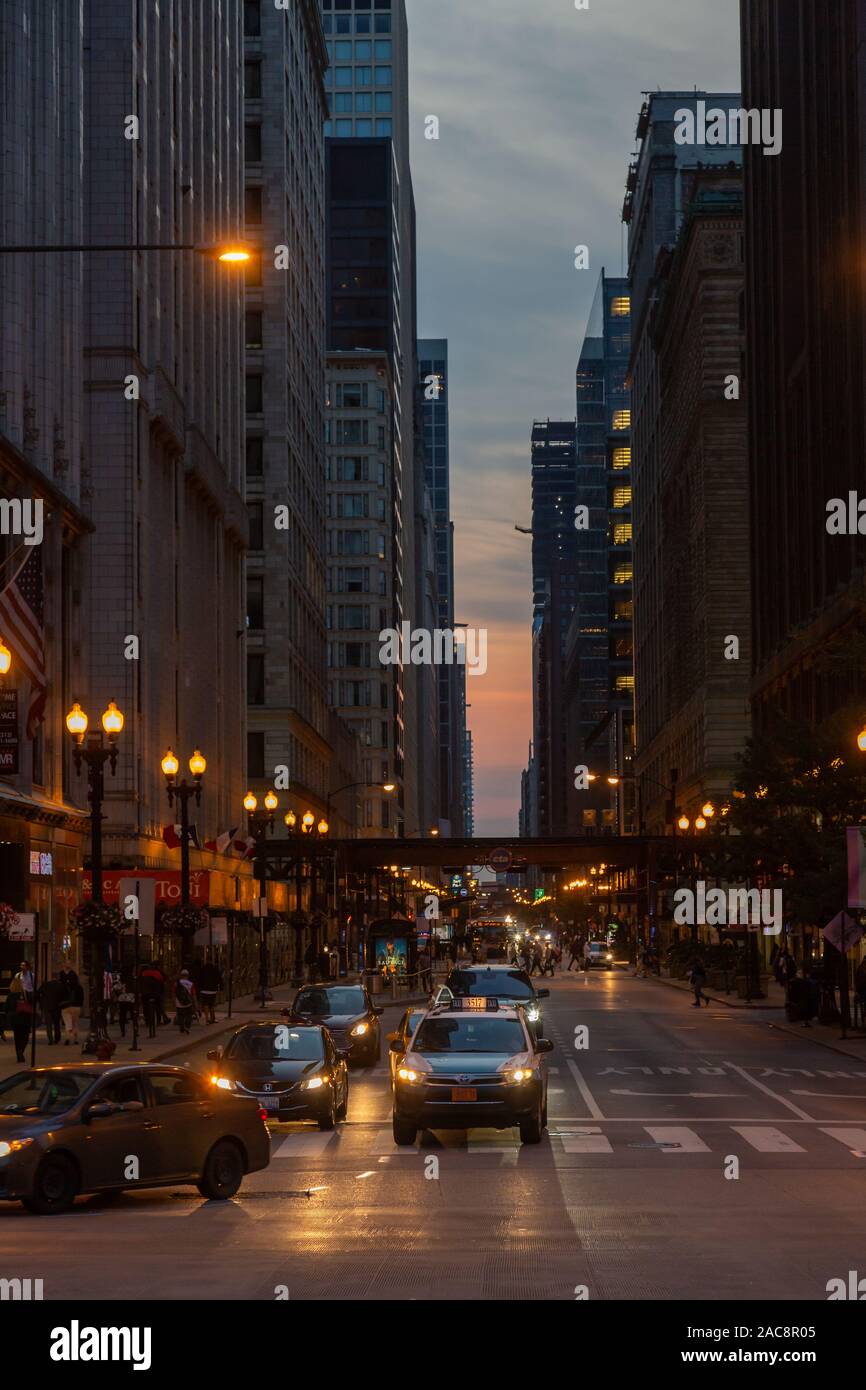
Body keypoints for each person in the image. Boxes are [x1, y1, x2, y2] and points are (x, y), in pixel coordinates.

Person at [5, 977, 32, 1063]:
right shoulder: (25, 994)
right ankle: (21, 1051)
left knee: (17, 1037)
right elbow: (31, 1005)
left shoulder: (10, 995)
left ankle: (19, 1054)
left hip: (14, 1019)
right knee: (25, 1037)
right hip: (25, 1018)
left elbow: (6, 1008)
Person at [37, 971, 65, 1045]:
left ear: (51, 977)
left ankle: (50, 1040)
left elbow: (38, 993)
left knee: (48, 1024)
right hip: (57, 1007)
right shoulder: (60, 985)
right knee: (56, 1024)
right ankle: (57, 1038)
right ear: (57, 978)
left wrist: (41, 1002)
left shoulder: (46, 984)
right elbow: (64, 996)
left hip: (47, 1006)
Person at [59, 967, 84, 1045]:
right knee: (75, 1023)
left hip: (66, 1007)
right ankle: (75, 1039)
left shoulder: (63, 986)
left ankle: (68, 1038)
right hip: (76, 1007)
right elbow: (82, 998)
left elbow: (59, 997)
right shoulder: (79, 987)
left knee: (68, 1023)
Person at [198, 958, 223, 1025]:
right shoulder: (215, 969)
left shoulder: (203, 969)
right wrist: (220, 987)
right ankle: (212, 1018)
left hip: (204, 990)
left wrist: (200, 987)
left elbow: (199, 978)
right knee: (211, 1005)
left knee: (205, 1004)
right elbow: (219, 979)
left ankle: (207, 1019)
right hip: (212, 990)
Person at [174, 969, 197, 1034]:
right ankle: (187, 1026)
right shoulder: (191, 984)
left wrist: (174, 1002)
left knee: (180, 1015)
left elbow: (173, 993)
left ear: (181, 975)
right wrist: (195, 1003)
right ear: (188, 975)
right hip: (188, 1003)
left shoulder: (176, 983)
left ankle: (181, 1027)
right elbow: (194, 995)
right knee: (189, 1015)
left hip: (179, 1003)